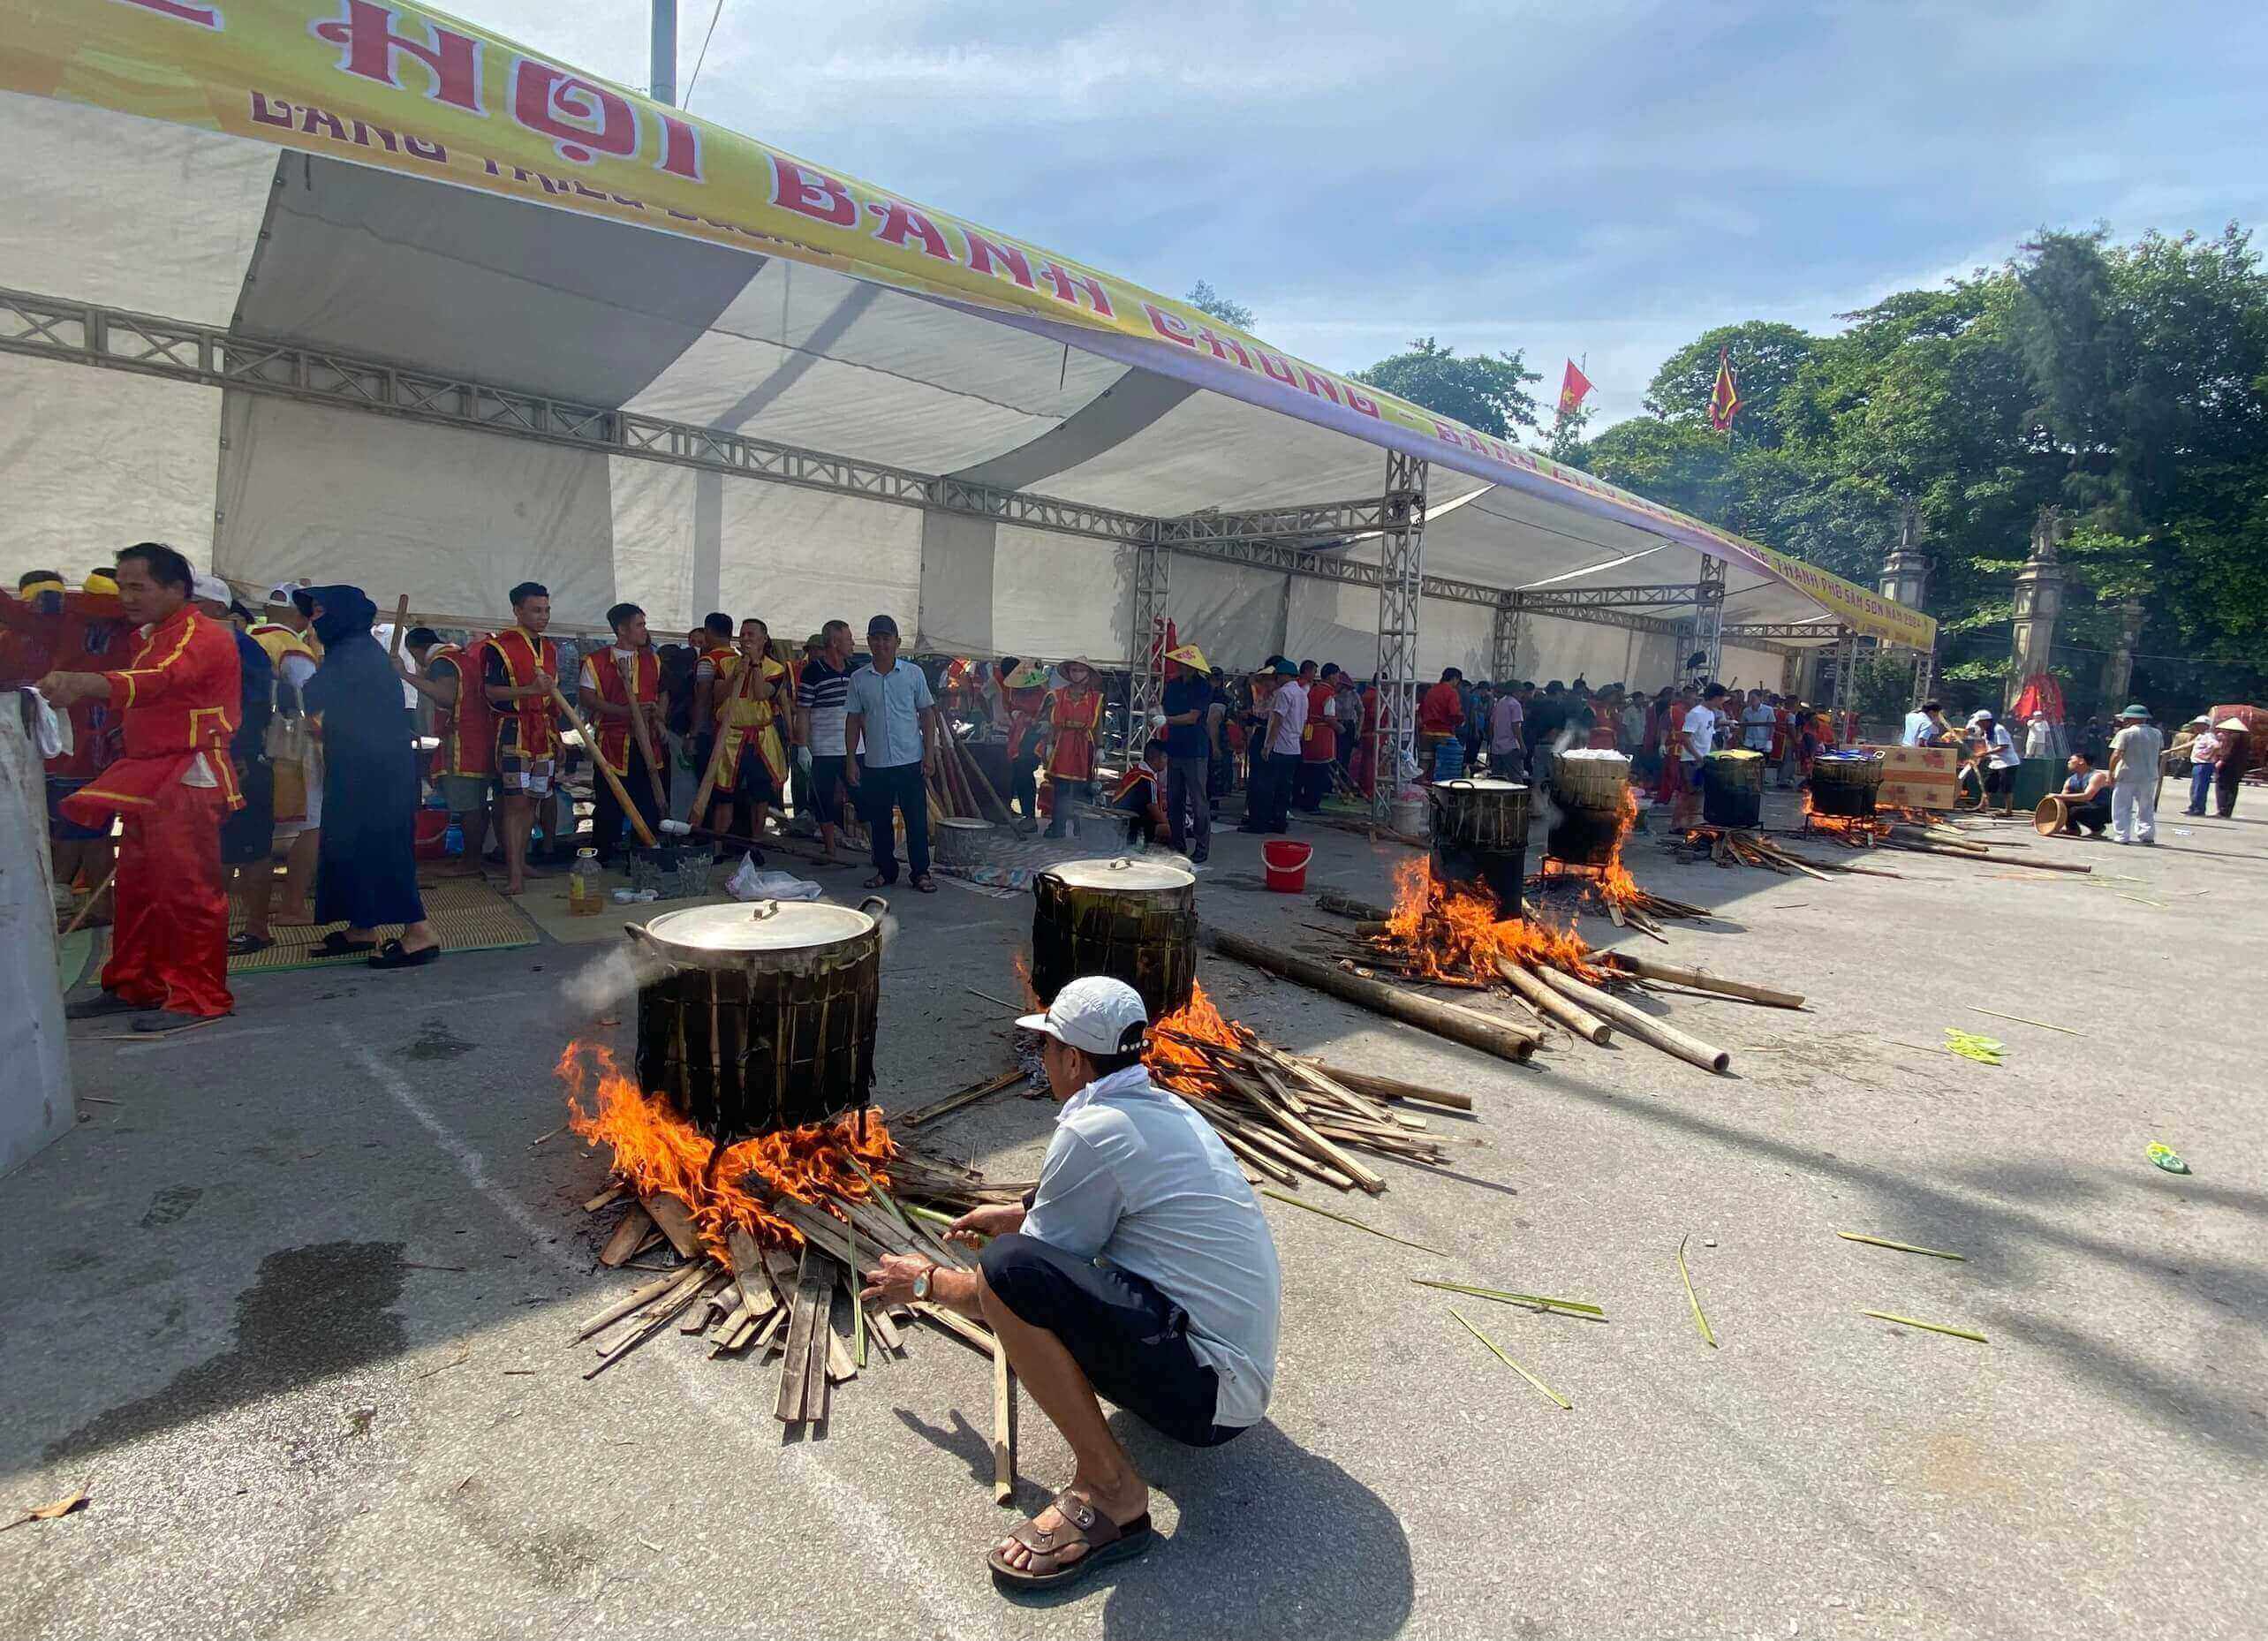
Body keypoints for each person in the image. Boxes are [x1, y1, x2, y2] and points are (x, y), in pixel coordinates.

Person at [861, 976, 1280, 1591]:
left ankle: (1113, 1495)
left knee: (1007, 1274)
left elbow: (994, 1293)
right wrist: (1022, 1213)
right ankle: (1131, 1443)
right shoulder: (1157, 1105)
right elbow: (1105, 1194)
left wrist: (924, 1283)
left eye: (1049, 1048)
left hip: (1211, 1398)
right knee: (1023, 1254)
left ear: (1074, 1060)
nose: (1044, 1058)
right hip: (1235, 1374)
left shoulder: (1092, 1130)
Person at [44, 543, 241, 1031]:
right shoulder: (153, 635)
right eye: (123, 586)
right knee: (137, 886)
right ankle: (137, 983)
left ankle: (199, 995)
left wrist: (87, 684)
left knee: (187, 890)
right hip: (151, 772)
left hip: (188, 773)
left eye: (138, 586)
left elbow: (160, 679)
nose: (127, 597)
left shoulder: (201, 635)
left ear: (177, 590)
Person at [300, 586, 442, 966]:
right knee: (348, 845)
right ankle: (362, 925)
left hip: (376, 772)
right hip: (358, 766)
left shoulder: (354, 653)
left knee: (381, 848)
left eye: (319, 612)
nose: (314, 620)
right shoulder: (352, 650)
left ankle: (419, 931)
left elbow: (312, 696)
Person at [190, 575, 277, 957]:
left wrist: (235, 753)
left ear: (219, 608)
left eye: (196, 602)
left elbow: (253, 708)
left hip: (238, 760)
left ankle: (256, 929)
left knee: (248, 849)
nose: (188, 609)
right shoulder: (192, 644)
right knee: (213, 847)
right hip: (206, 760)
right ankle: (209, 928)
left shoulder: (243, 648)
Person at [843, 613, 939, 892]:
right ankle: (886, 871)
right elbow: (852, 720)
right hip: (876, 762)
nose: (882, 644)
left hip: (910, 759)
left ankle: (921, 873)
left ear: (897, 642)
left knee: (916, 820)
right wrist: (851, 760)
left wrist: (929, 754)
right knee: (880, 820)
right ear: (869, 643)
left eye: (887, 639)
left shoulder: (913, 674)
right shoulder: (859, 679)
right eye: (876, 639)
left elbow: (927, 715)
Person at [248, 584, 324, 925]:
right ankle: (292, 905)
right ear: (301, 616)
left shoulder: (249, 638)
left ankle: (251, 905)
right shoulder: (293, 650)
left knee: (256, 826)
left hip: (251, 744)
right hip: (292, 748)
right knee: (311, 825)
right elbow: (312, 705)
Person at [578, 602, 667, 864]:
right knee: (610, 799)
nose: (644, 630)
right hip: (613, 741)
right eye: (639, 625)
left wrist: (659, 718)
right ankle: (604, 853)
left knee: (648, 797)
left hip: (648, 740)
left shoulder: (652, 659)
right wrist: (624, 711)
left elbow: (662, 693)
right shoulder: (596, 661)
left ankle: (644, 853)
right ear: (622, 629)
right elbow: (587, 698)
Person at [399, 627, 492, 876]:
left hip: (462, 741)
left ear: (417, 650)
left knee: (468, 805)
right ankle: (472, 857)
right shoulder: (462, 657)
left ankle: (471, 861)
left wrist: (406, 676)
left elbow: (447, 696)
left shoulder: (442, 662)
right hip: (478, 736)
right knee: (477, 803)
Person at [795, 618, 858, 862]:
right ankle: (830, 849)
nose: (853, 643)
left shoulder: (855, 671)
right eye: (848, 639)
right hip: (822, 747)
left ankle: (878, 850)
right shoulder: (812, 672)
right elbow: (803, 711)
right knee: (822, 798)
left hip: (854, 747)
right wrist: (802, 746)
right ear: (834, 642)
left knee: (863, 797)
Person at [1155, 643, 1213, 861]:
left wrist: (1167, 720)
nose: (1181, 667)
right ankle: (1177, 844)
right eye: (1179, 663)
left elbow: (1192, 717)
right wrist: (1161, 715)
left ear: (1193, 667)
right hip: (1176, 747)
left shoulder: (1203, 687)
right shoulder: (1172, 685)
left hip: (1196, 749)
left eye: (1184, 664)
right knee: (1174, 799)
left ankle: (1201, 847)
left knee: (1198, 800)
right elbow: (1164, 707)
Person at [1040, 657, 1106, 838]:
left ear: (1088, 674)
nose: (1076, 674)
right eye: (1074, 670)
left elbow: (1098, 724)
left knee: (1082, 788)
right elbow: (1053, 724)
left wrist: (1100, 747)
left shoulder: (1096, 698)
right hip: (1063, 744)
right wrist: (1050, 744)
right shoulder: (1057, 695)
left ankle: (1082, 828)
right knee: (1060, 787)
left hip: (1084, 744)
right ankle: (1058, 827)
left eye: (1081, 670)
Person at [1240, 659, 1304, 833]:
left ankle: (1259, 823)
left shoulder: (1283, 693)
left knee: (1264, 786)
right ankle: (1279, 822)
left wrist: (1268, 745)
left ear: (1283, 676)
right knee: (1283, 788)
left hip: (1279, 745)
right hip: (1293, 746)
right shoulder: (1301, 693)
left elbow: (1277, 720)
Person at [2107, 703, 2163, 845]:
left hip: (2127, 774)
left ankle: (2122, 835)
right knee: (2146, 806)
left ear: (2131, 719)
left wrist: (2111, 773)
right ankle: (2147, 835)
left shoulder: (2126, 733)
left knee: (2121, 805)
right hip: (2149, 775)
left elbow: (2117, 754)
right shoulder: (2157, 733)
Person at [1673, 683, 1727, 828]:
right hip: (1691, 760)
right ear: (1715, 698)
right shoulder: (1696, 713)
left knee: (1698, 794)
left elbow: (1708, 734)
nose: (1722, 703)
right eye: (1721, 699)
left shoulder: (1710, 713)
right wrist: (1698, 757)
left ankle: (1690, 824)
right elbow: (1685, 738)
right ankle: (1677, 825)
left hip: (1703, 759)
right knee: (1688, 794)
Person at [1108, 738, 1172, 847]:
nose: (1167, 761)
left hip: (1123, 819)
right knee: (1172, 830)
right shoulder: (1147, 779)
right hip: (1133, 825)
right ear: (1155, 758)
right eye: (1165, 757)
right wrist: (1168, 823)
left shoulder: (1135, 771)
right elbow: (1156, 813)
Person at [1296, 661, 1340, 813]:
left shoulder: (1312, 690)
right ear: (1331, 676)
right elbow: (1329, 717)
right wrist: (1341, 729)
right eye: (1337, 676)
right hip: (1322, 734)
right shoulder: (1328, 693)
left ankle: (1304, 800)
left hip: (1309, 731)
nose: (1338, 680)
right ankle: (1313, 804)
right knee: (1320, 770)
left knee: (1308, 769)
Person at [1417, 667, 1465, 779]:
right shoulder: (1451, 693)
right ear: (1454, 679)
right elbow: (1454, 713)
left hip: (1426, 733)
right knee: (1442, 767)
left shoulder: (1431, 691)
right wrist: (1461, 721)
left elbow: (1421, 710)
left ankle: (1419, 789)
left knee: (1424, 763)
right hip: (1444, 734)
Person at [1970, 711, 2020, 815]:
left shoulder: (1999, 729)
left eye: (1979, 722)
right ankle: (1982, 807)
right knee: (1988, 785)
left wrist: (1985, 753)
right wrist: (1981, 756)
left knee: (2006, 787)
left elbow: (2004, 746)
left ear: (1985, 721)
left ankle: (2008, 811)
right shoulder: (1987, 731)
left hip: (2008, 763)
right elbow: (1989, 746)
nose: (1978, 725)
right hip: (1995, 763)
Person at [2053, 752, 2113, 837]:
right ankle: (2073, 829)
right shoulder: (2070, 780)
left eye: (2071, 759)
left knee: (2075, 811)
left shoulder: (2097, 776)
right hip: (2088, 806)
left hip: (2105, 810)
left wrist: (2058, 796)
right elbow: (2061, 799)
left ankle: (2097, 829)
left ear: (2081, 761)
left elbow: (2087, 796)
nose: (2068, 762)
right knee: (2063, 804)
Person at [2179, 719, 2220, 815]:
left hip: (2204, 765)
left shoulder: (2208, 736)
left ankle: (2198, 809)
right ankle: (2193, 807)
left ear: (2205, 726)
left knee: (2199, 788)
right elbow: (2190, 744)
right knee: (2195, 788)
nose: (2195, 727)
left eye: (2197, 725)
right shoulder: (2201, 736)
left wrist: (2209, 756)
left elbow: (2217, 746)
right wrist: (2172, 750)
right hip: (2198, 764)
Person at [1486, 680, 1526, 779]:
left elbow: (1491, 724)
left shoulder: (1499, 703)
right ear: (1515, 691)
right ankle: (1516, 795)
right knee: (1516, 778)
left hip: (1497, 748)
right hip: (1511, 747)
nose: (1522, 694)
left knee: (1497, 779)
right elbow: (1515, 726)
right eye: (1521, 691)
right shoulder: (1515, 704)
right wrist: (1522, 746)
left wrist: (1491, 743)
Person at [2211, 716, 2250, 819]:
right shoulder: (2244, 740)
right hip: (2238, 767)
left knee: (2223, 788)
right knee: (2232, 789)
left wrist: (2221, 761)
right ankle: (2226, 811)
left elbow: (2227, 753)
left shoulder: (2232, 739)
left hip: (2228, 766)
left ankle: (2222, 810)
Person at [1743, 689, 1777, 753]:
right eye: (1749, 698)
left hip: (1763, 743)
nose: (1751, 700)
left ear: (1760, 698)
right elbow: (1743, 726)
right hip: (1749, 742)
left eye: (1753, 698)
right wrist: (1742, 738)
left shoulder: (1768, 710)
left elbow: (1772, 726)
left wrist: (1769, 741)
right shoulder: (1746, 711)